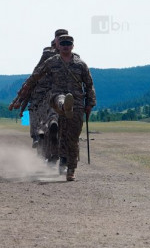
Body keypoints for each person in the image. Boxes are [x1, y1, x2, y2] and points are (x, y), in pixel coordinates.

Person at [9, 34, 95, 181]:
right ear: (58, 45)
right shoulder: (51, 62)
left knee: (71, 138)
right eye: (63, 43)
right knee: (60, 103)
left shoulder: (80, 64)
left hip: (77, 104)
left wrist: (90, 104)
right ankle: (64, 105)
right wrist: (26, 88)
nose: (66, 46)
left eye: (69, 43)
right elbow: (35, 76)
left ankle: (70, 168)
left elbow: (89, 85)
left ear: (72, 46)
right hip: (56, 99)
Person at [28, 28, 68, 150]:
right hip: (51, 89)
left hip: (55, 89)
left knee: (34, 107)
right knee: (33, 107)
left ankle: (37, 134)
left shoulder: (67, 56)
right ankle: (38, 134)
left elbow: (37, 71)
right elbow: (38, 70)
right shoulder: (50, 54)